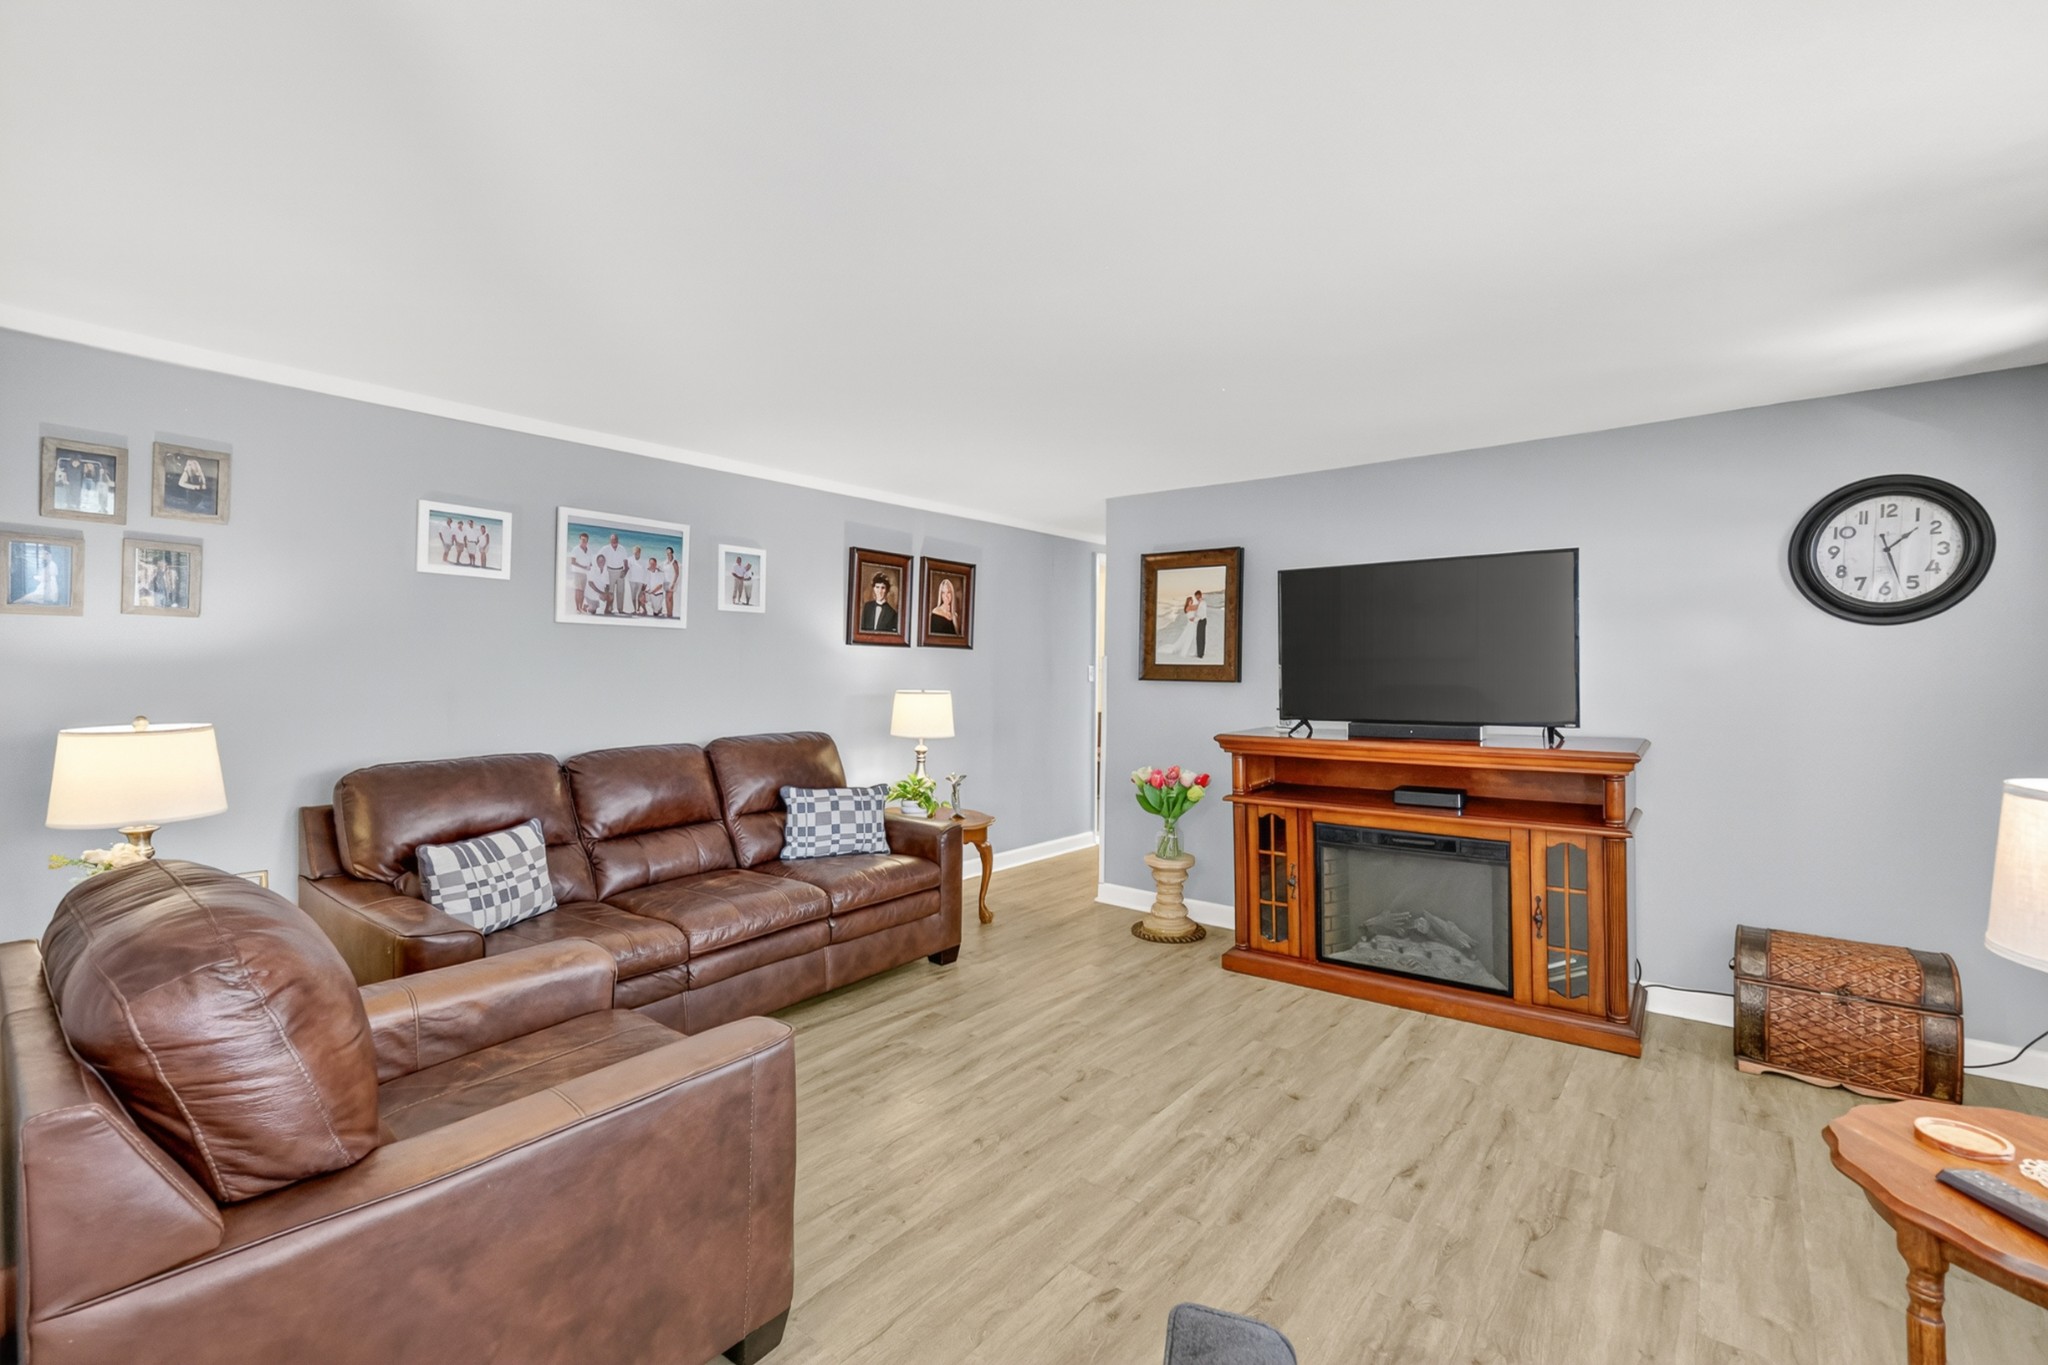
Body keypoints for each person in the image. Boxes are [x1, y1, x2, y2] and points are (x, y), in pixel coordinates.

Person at [566, 532, 595, 611]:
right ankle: (577, 608)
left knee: (583, 591)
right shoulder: (576, 549)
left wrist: (591, 567)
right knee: (578, 590)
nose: (583, 541)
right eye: (582, 540)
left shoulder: (589, 550)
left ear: (587, 541)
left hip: (586, 573)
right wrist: (583, 567)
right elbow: (573, 562)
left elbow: (591, 562)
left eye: (585, 540)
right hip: (578, 572)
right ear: (580, 540)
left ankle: (581, 607)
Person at [604, 534, 629, 615]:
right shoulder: (606, 548)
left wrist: (625, 571)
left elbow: (625, 561)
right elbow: (599, 557)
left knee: (621, 591)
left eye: (615, 540)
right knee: (610, 591)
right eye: (612, 540)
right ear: (610, 540)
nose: (614, 541)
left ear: (618, 540)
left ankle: (620, 609)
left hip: (620, 571)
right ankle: (610, 608)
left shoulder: (622, 548)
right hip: (610, 571)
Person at [1192, 589, 1210, 659]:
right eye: (1195, 596)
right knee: (1200, 637)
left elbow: (1201, 614)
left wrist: (1195, 619)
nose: (1196, 597)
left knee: (1200, 637)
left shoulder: (1202, 602)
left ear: (1199, 595)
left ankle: (1200, 654)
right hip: (1201, 620)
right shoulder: (1200, 602)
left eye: (1196, 596)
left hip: (1202, 620)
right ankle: (1200, 653)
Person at [666, 547, 683, 617]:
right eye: (667, 553)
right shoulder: (667, 561)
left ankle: (669, 614)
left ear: (672, 553)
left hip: (672, 582)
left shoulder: (674, 562)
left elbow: (677, 573)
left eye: (669, 553)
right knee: (670, 598)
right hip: (667, 581)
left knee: (668, 598)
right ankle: (670, 613)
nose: (668, 554)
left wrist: (673, 583)